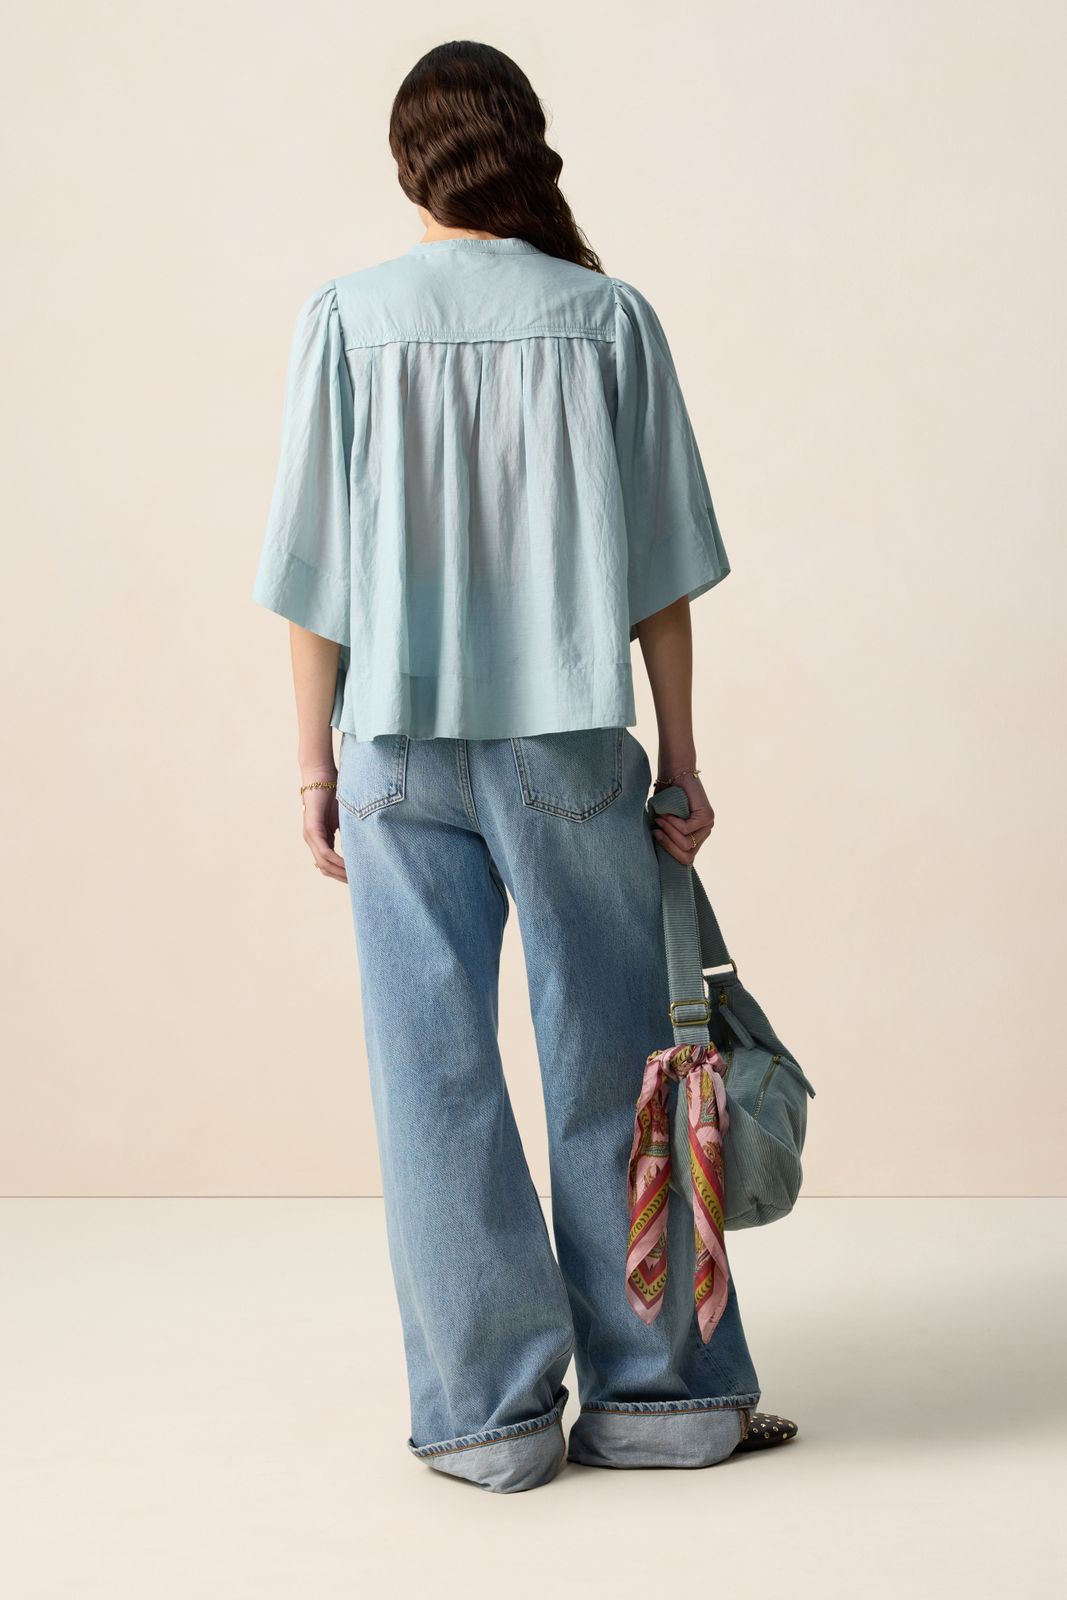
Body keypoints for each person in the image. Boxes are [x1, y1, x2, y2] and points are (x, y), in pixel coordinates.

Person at [252, 39, 797, 1492]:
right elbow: (661, 571)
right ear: (524, 148)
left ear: (409, 164)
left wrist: (310, 764)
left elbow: (313, 579)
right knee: (616, 1065)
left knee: (429, 1081)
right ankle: (661, 1405)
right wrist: (680, 754)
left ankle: (488, 1423)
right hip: (569, 749)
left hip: (392, 746)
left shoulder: (344, 321)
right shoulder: (608, 318)